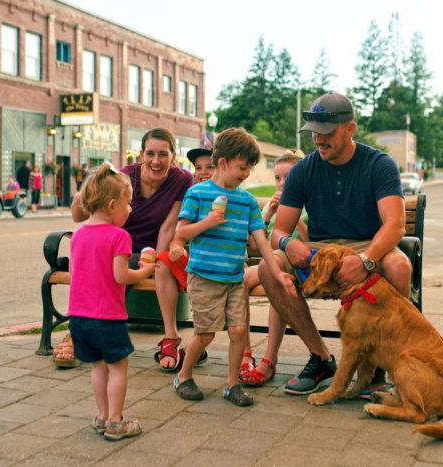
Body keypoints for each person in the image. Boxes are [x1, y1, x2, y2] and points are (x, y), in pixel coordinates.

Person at [258, 92, 410, 396]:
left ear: (349, 128)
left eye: (326, 132)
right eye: (313, 132)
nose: (318, 139)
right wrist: (288, 243)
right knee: (268, 266)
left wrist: (366, 259)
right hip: (321, 250)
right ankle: (322, 359)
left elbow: (395, 225)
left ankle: (380, 364)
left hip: (368, 244)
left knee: (399, 264)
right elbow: (279, 231)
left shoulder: (379, 164)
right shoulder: (303, 170)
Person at [169, 128, 296, 406]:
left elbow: (261, 241)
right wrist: (208, 223)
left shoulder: (246, 200)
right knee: (205, 334)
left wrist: (277, 273)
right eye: (242, 167)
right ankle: (184, 375)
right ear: (223, 162)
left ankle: (232, 384)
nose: (246, 173)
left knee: (239, 331)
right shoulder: (198, 194)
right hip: (203, 277)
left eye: (250, 167)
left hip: (234, 278)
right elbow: (182, 233)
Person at [72, 128, 195, 372]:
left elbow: (169, 225)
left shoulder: (182, 179)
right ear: (140, 154)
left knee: (154, 265)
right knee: (113, 266)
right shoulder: (124, 177)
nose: (156, 161)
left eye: (163, 154)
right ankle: (80, 333)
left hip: (151, 248)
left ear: (173, 156)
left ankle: (170, 337)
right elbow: (79, 216)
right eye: (150, 153)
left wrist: (160, 259)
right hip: (118, 246)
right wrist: (81, 194)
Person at [68, 162, 156, 440]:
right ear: (112, 204)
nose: (131, 209)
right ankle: (116, 422)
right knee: (118, 367)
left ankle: (102, 416)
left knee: (98, 366)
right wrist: (145, 271)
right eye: (128, 204)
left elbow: (76, 274)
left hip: (79, 317)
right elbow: (121, 276)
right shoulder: (119, 236)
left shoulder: (79, 235)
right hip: (108, 317)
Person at [240, 150, 309, 386]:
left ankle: (269, 359)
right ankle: (245, 353)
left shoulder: (309, 205)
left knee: (277, 285)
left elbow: (312, 242)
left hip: (297, 267)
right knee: (238, 283)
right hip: (267, 263)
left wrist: (293, 215)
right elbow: (254, 246)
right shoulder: (271, 204)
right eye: (277, 178)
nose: (281, 183)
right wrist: (269, 212)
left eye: (287, 177)